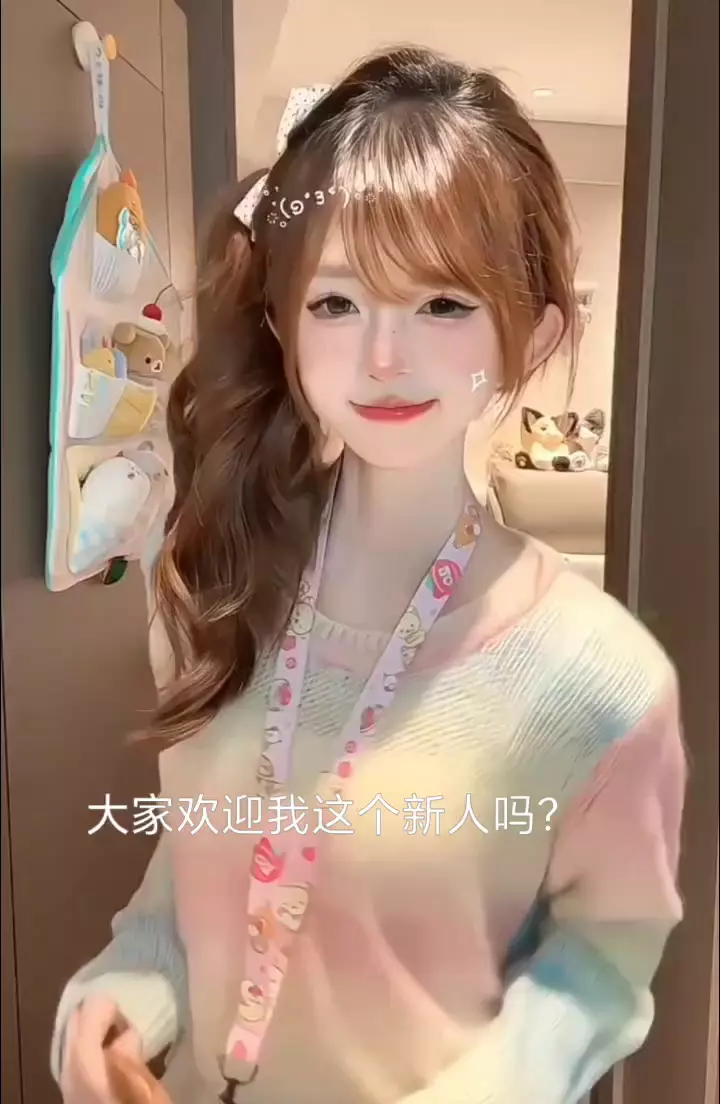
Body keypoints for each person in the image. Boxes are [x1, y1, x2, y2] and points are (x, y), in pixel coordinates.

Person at [52, 46, 686, 1104]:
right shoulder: (217, 593)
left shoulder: (599, 674)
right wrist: (124, 1000)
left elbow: (600, 970)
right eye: (338, 303)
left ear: (530, 334)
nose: (384, 357)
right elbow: (195, 880)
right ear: (282, 322)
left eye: (442, 305)